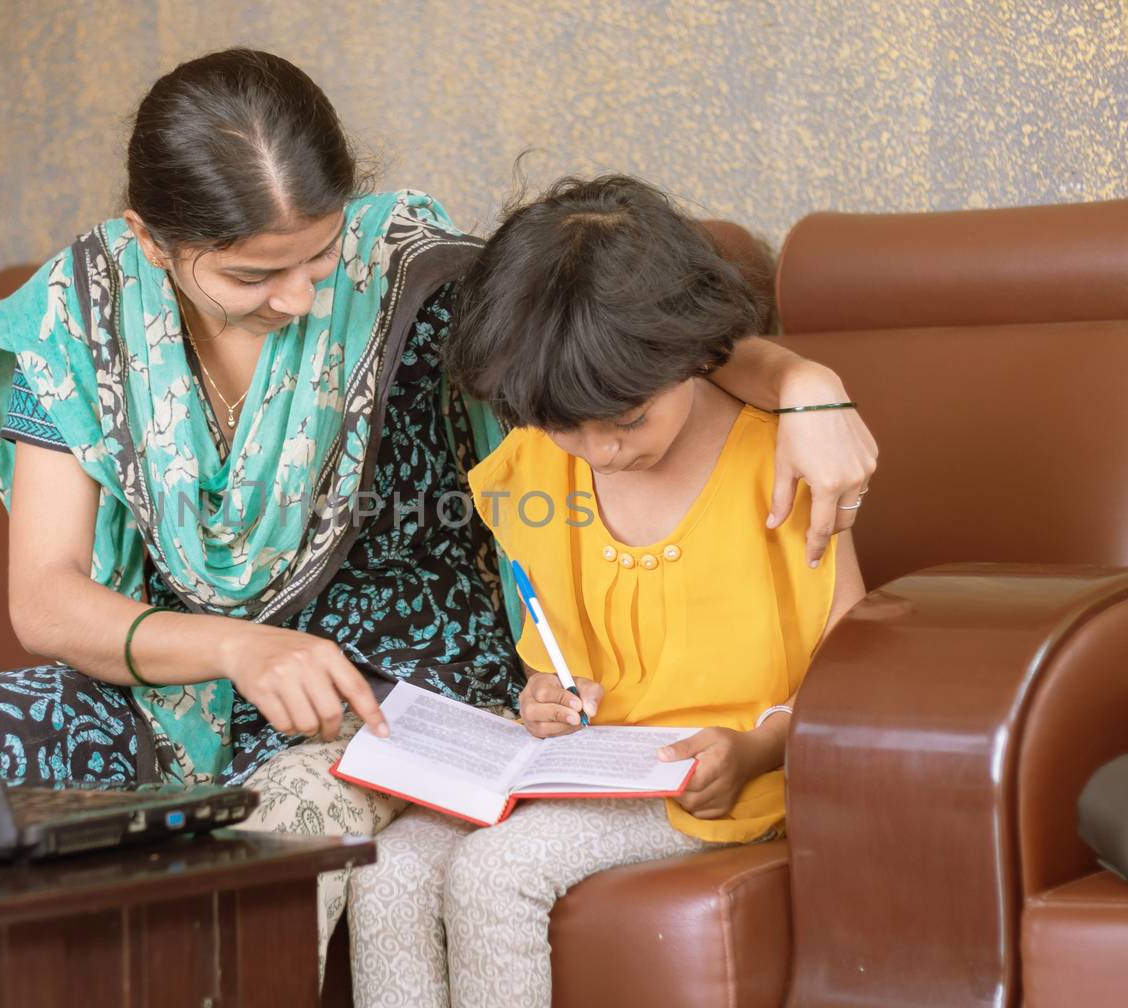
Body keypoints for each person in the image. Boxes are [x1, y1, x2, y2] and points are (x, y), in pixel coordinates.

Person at [0, 49, 874, 971]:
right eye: (250, 276)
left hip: (396, 693)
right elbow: (46, 599)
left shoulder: (408, 277)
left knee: (275, 846)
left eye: (319, 253)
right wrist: (238, 647)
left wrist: (806, 384)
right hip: (182, 683)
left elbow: (618, 341)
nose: (302, 296)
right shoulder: (77, 321)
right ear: (151, 242)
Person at [346, 174, 869, 1007]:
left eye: (628, 421)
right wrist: (545, 697)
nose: (602, 453)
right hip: (587, 768)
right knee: (390, 872)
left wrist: (757, 750)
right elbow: (562, 652)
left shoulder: (778, 467)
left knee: (496, 873)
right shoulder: (539, 469)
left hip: (722, 775)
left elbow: (851, 677)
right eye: (565, 427)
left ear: (694, 350)